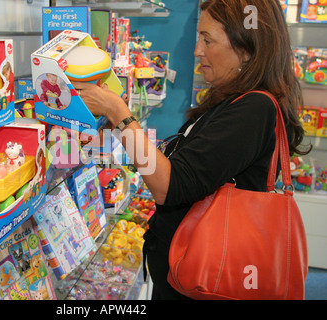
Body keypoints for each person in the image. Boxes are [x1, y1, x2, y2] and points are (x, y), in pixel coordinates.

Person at [72, 0, 311, 300]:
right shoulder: (234, 101)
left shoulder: (254, 108)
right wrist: (123, 127)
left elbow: (169, 185)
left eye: (207, 39)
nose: (198, 50)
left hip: (204, 286)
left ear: (247, 48)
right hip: (187, 280)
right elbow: (192, 169)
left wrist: (119, 113)